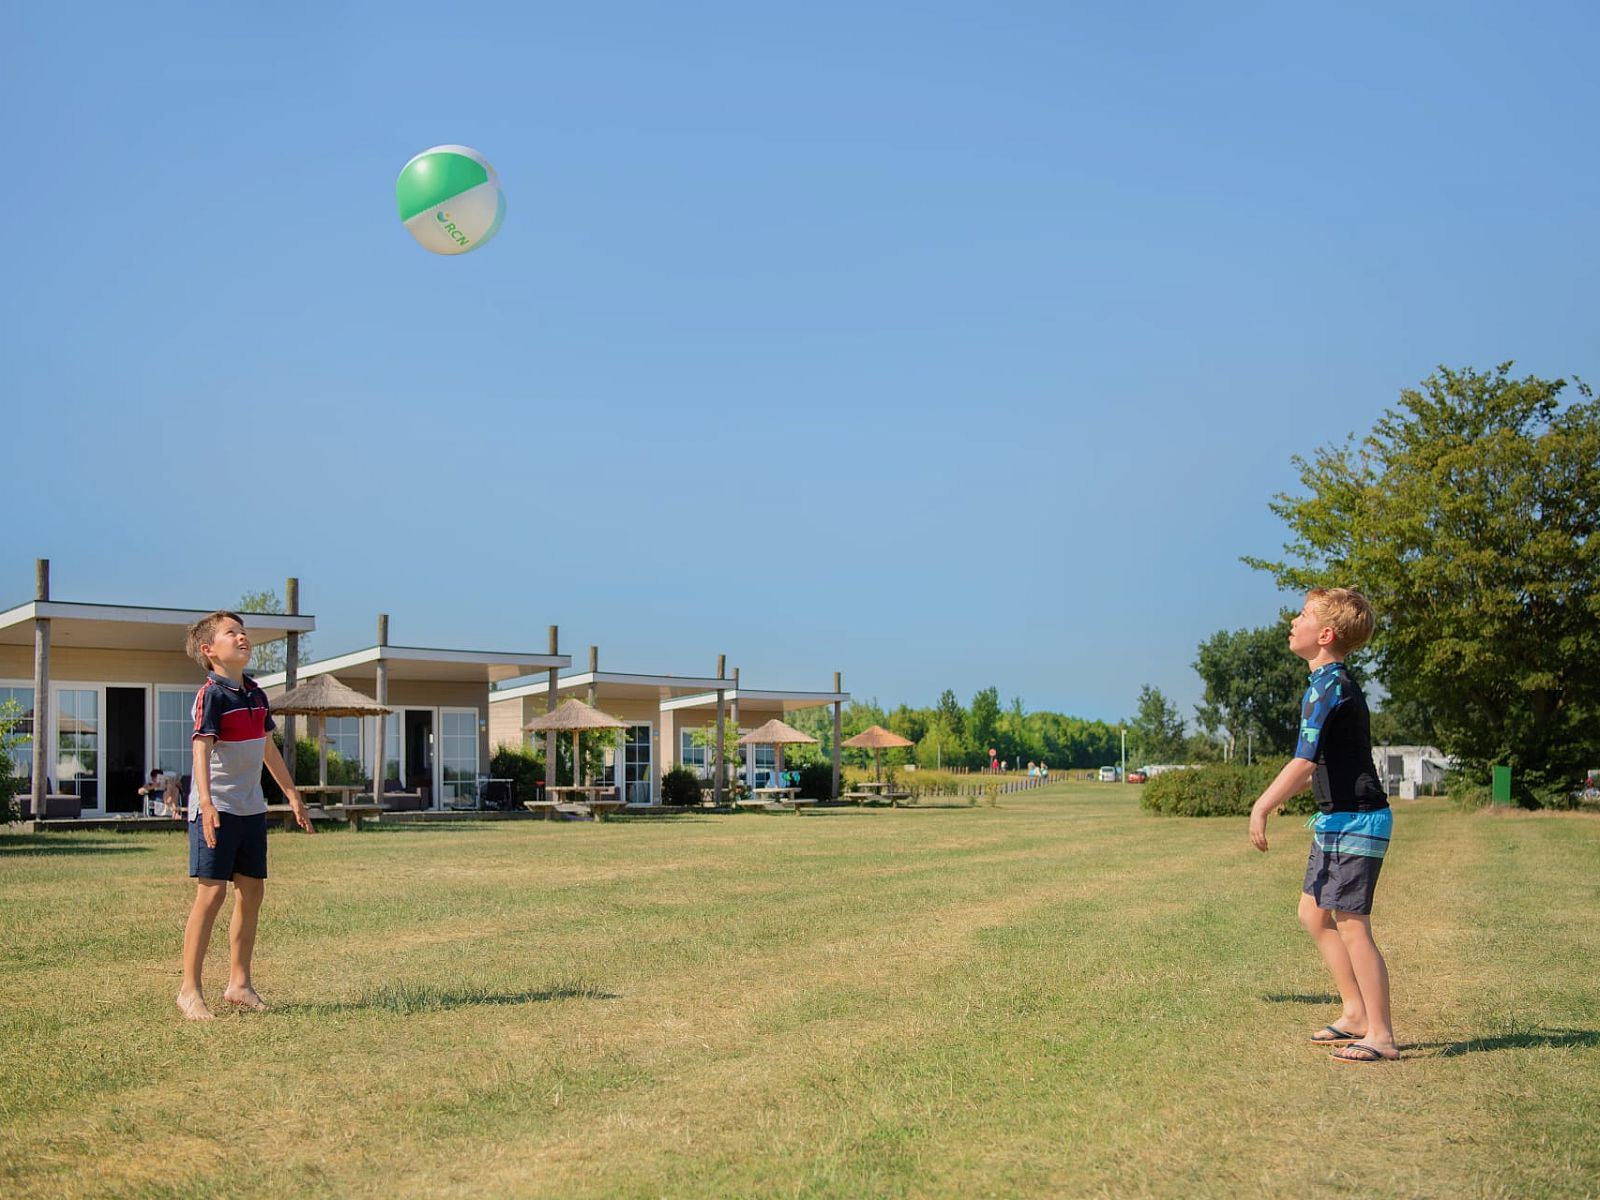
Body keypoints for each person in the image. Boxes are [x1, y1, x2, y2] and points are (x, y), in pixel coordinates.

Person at [1248, 588, 1397, 1063]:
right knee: (1313, 915)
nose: (1294, 621)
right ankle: (1354, 1013)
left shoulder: (1331, 686)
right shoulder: (1322, 683)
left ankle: (1382, 1035)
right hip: (1336, 819)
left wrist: (1262, 806)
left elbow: (1304, 762)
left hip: (1358, 819)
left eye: (1304, 615)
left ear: (1326, 634)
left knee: (1353, 925)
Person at [176, 611, 313, 1020]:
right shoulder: (211, 695)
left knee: (251, 892)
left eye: (242, 631)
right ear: (209, 650)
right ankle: (189, 991)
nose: (241, 637)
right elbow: (200, 750)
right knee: (212, 893)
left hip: (251, 809)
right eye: (230, 633)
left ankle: (239, 984)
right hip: (215, 810)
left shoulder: (256, 693)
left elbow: (268, 750)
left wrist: (292, 795)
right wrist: (206, 805)